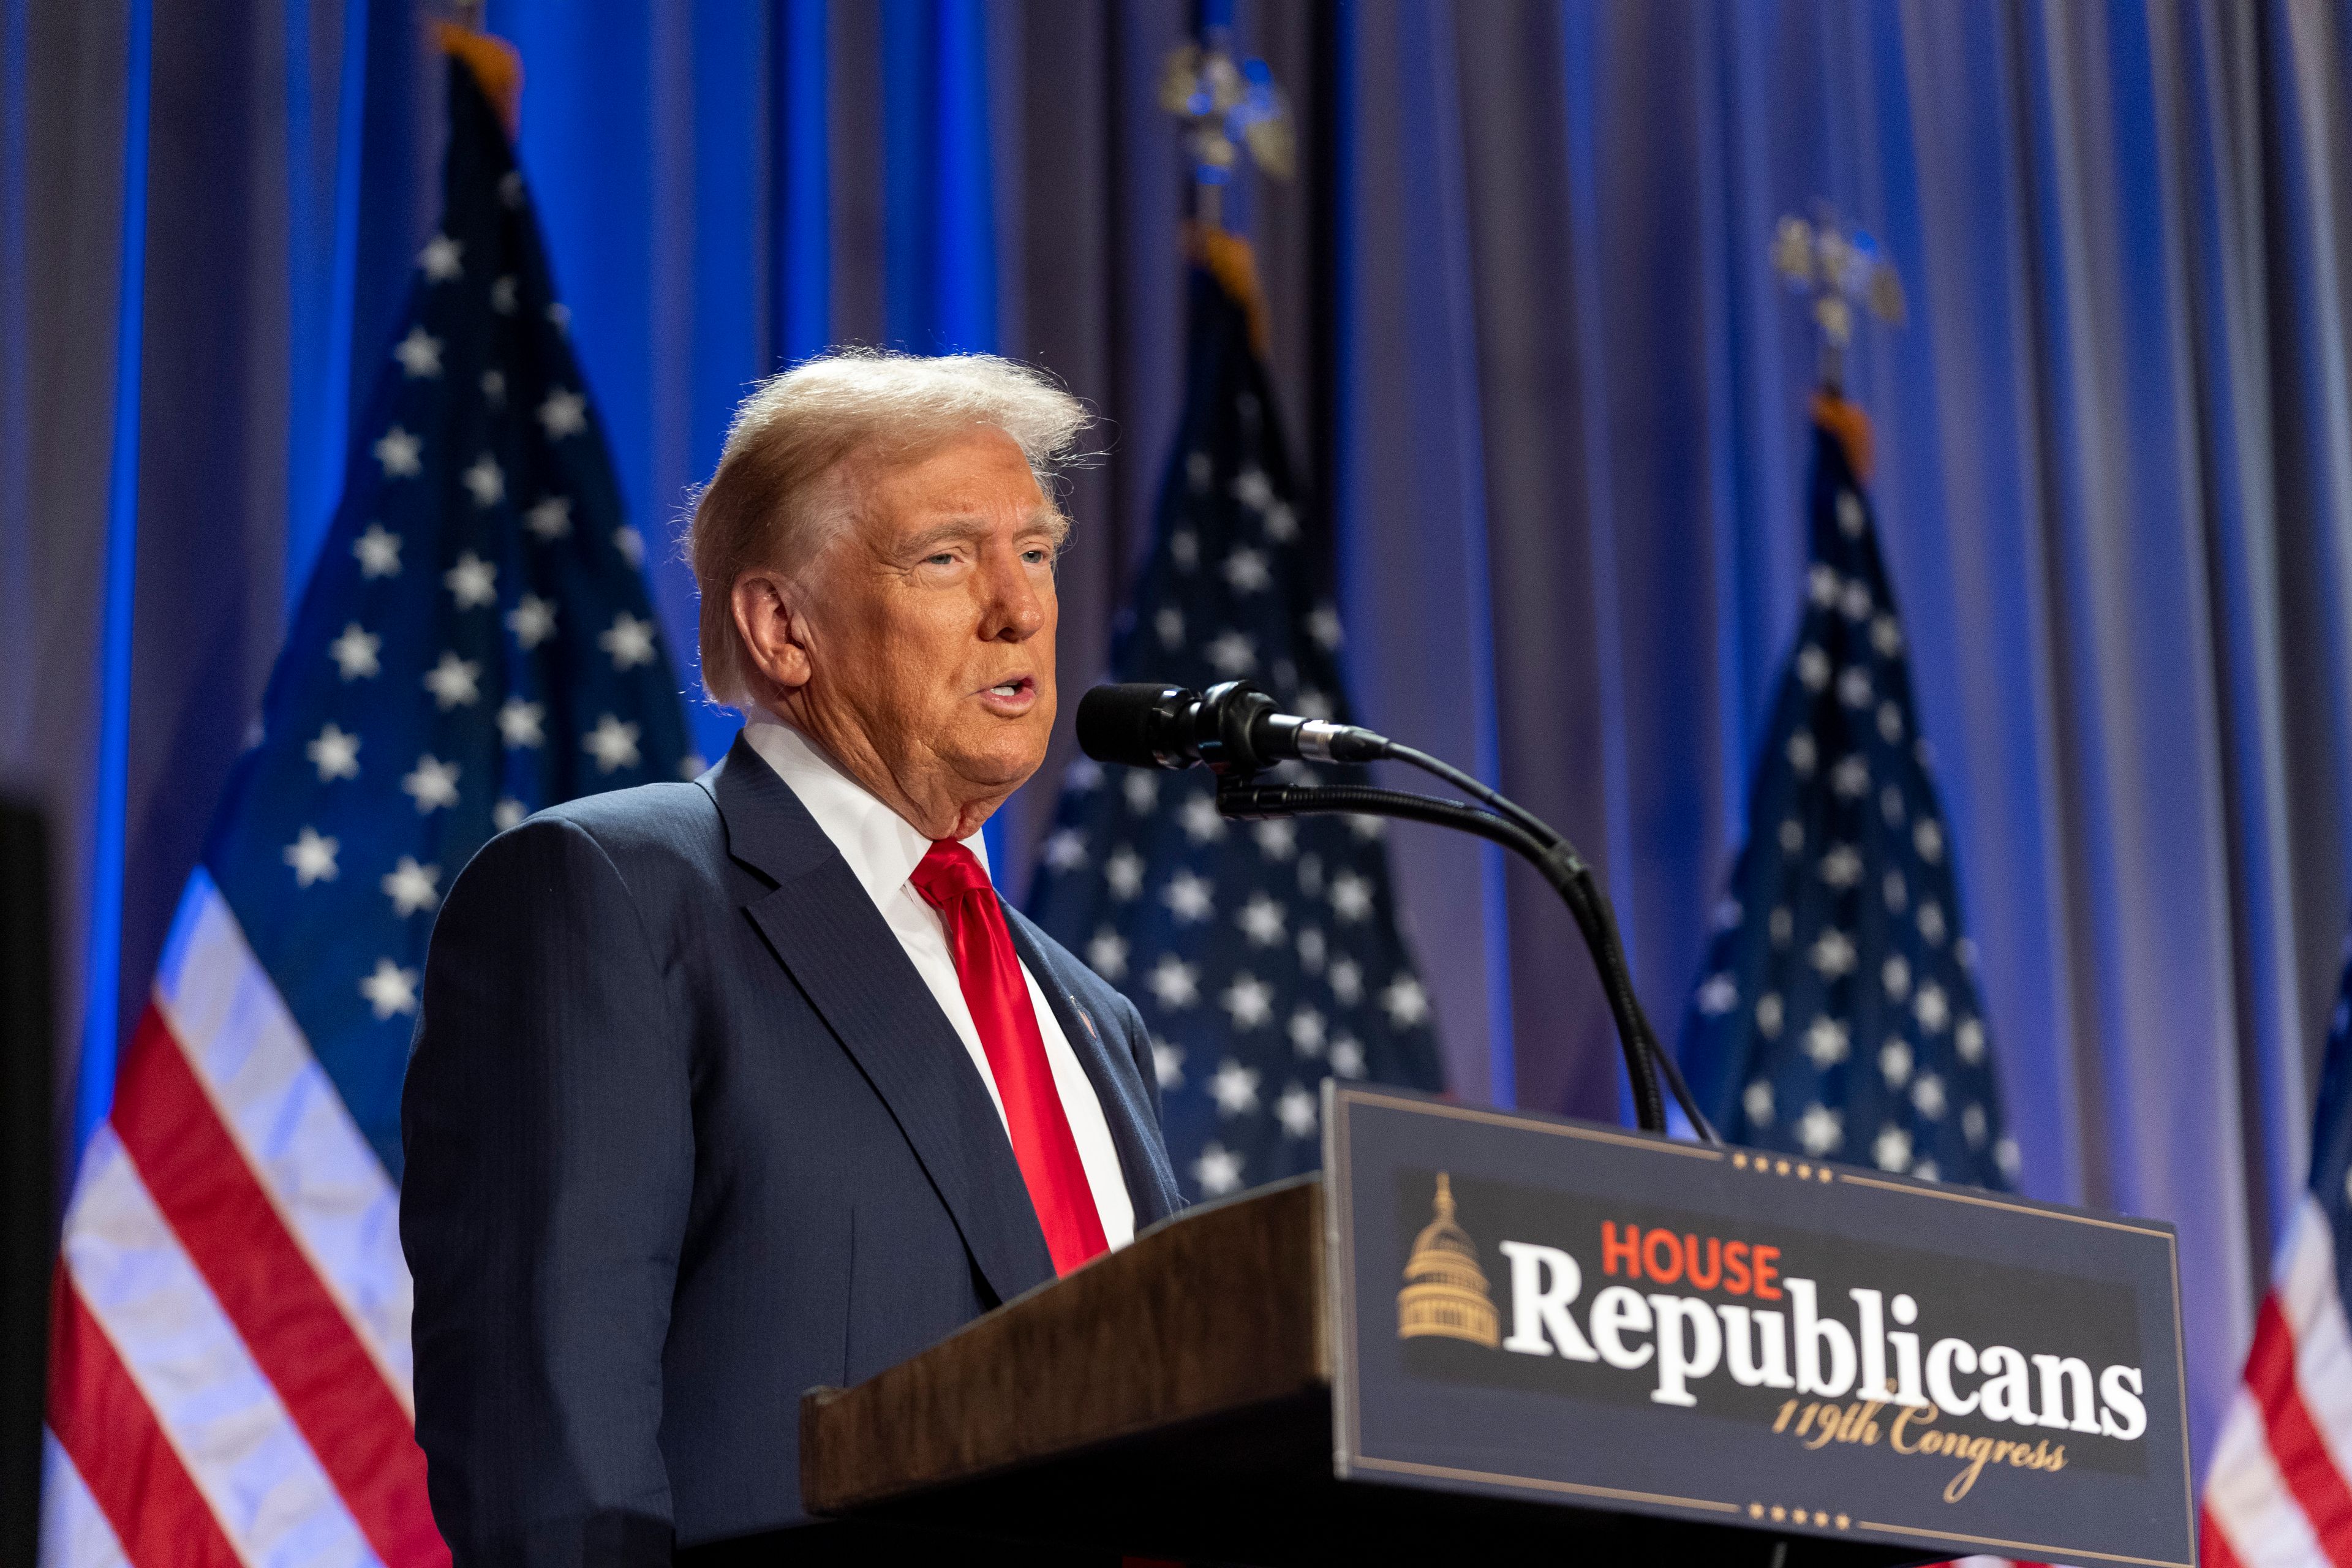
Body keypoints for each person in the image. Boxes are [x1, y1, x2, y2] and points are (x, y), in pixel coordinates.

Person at [401, 351, 1183, 1564]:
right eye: (945, 555)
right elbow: (548, 1448)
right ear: (781, 626)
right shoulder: (613, 895)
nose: (1019, 606)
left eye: (1035, 550)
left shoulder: (1091, 1014)